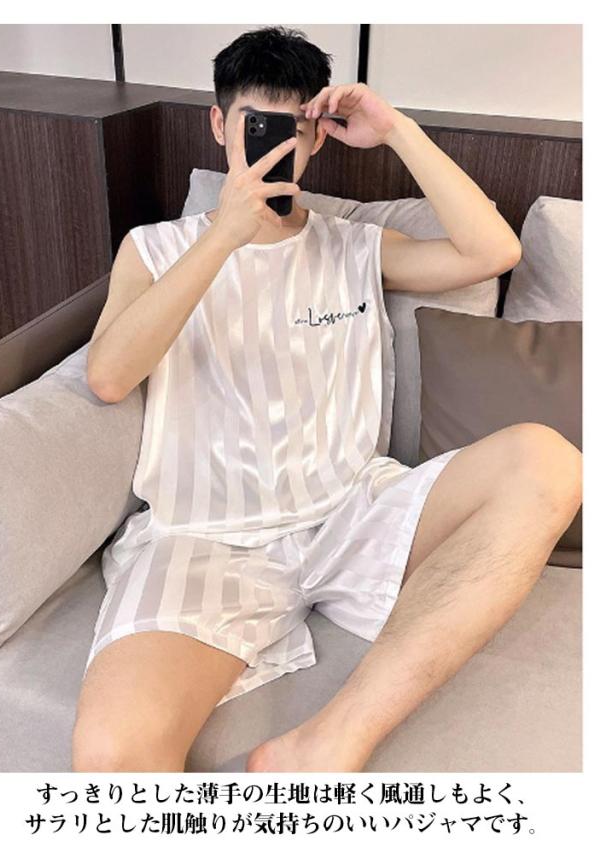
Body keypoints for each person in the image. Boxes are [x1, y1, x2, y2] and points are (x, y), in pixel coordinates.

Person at [71, 26, 582, 773]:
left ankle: (331, 740)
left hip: (352, 513)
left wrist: (397, 129)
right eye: (255, 125)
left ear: (316, 136)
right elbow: (109, 377)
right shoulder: (154, 248)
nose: (274, 146)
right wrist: (224, 237)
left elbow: (494, 252)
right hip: (208, 537)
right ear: (219, 125)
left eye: (293, 129)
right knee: (112, 757)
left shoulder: (352, 243)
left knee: (549, 461)